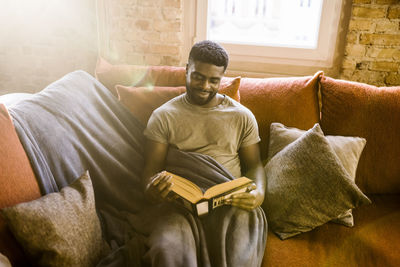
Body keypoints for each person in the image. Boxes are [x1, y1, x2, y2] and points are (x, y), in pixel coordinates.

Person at [141, 40, 267, 267]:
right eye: (198, 76)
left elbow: (255, 165)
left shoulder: (242, 117)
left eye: (214, 80)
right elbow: (150, 170)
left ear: (222, 79)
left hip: (230, 204)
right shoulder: (164, 116)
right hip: (179, 208)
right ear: (187, 69)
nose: (205, 86)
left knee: (240, 256)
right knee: (166, 249)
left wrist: (259, 194)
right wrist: (152, 189)